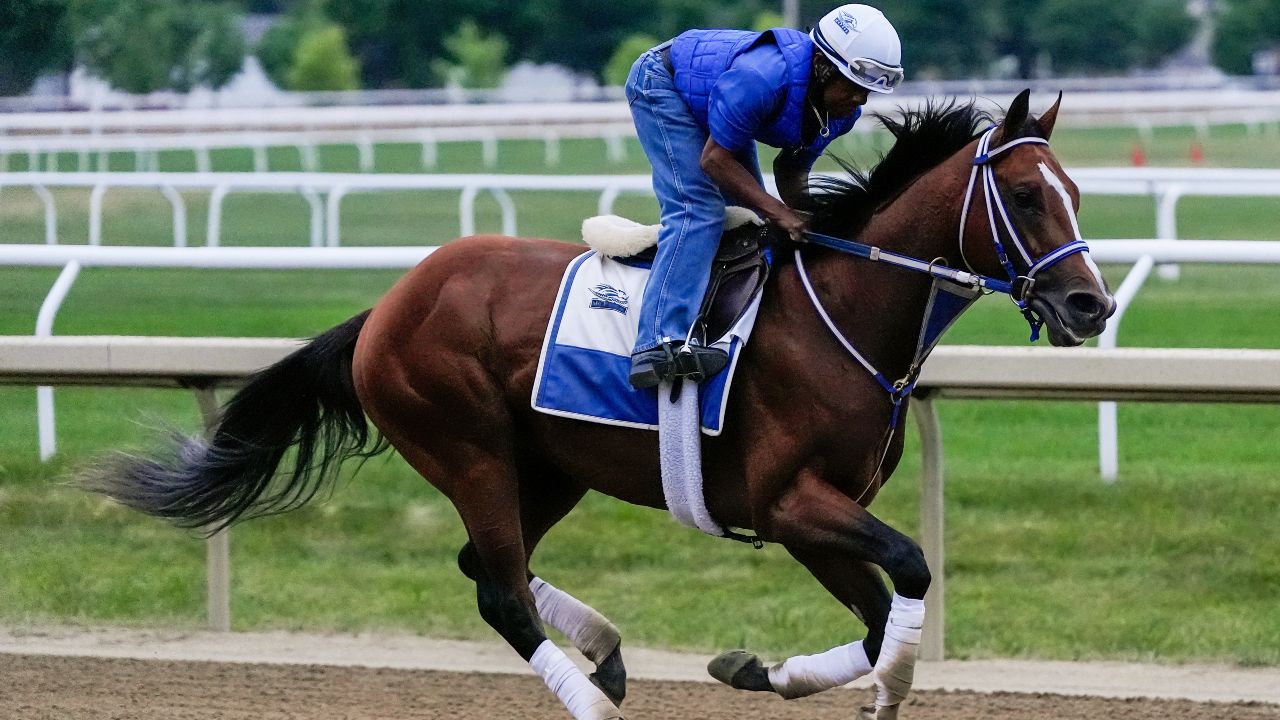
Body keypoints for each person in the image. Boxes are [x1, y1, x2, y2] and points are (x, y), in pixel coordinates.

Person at [624, 4, 905, 389]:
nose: (861, 101)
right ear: (823, 67)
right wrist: (780, 213)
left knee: (748, 219)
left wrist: (813, 219)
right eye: (856, 87)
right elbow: (714, 160)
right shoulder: (764, 78)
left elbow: (791, 170)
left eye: (868, 92)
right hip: (661, 81)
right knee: (699, 210)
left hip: (715, 98)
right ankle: (657, 343)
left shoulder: (841, 113)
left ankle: (714, 325)